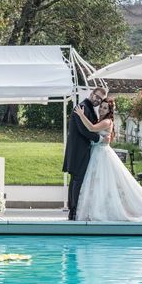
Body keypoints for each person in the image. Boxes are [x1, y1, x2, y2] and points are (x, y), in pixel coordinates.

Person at [62, 87, 105, 220]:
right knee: (77, 180)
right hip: (78, 151)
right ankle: (73, 211)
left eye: (100, 99)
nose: (97, 100)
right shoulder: (82, 107)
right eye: (96, 96)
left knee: (75, 180)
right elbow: (84, 130)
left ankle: (73, 211)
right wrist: (100, 139)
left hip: (79, 150)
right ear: (91, 94)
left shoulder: (88, 107)